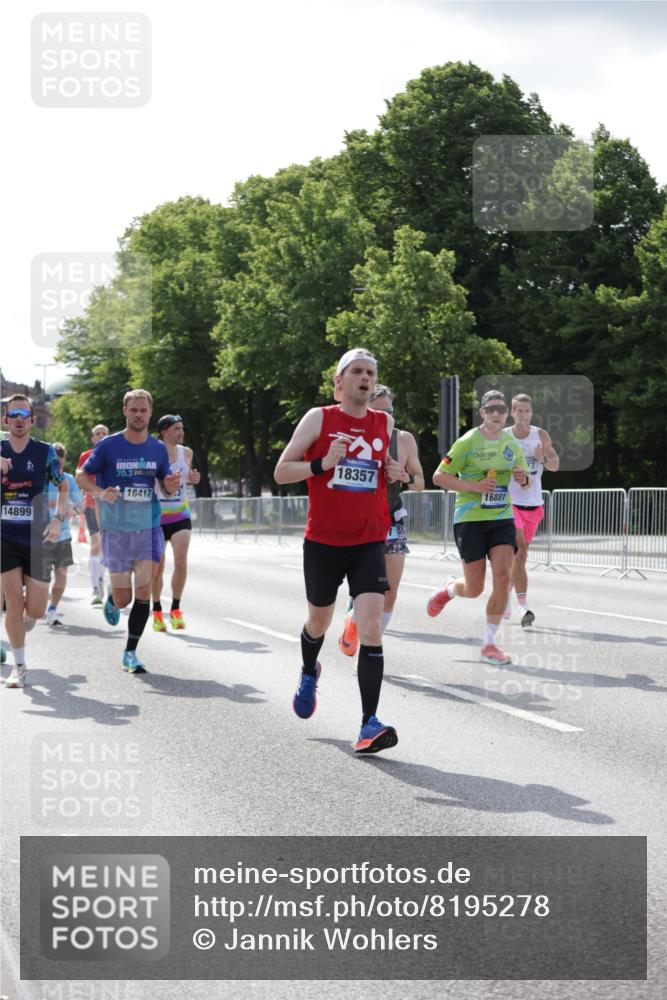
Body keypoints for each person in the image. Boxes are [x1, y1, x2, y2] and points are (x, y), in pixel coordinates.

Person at [274, 348, 406, 754]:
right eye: (357, 372)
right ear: (339, 381)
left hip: (368, 540)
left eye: (371, 373)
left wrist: (397, 473)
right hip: (323, 542)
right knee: (319, 620)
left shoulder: (385, 422)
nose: (365, 378)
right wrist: (321, 464)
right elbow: (281, 472)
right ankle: (309, 669)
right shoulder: (320, 418)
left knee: (370, 626)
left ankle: (369, 723)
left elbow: (386, 469)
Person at [76, 390, 181, 674]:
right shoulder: (109, 446)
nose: (138, 415)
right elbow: (81, 475)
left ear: (149, 413)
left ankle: (131, 652)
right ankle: (113, 597)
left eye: (143, 410)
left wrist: (171, 484)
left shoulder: (157, 448)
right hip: (117, 530)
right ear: (125, 411)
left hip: (148, 527)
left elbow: (166, 483)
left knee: (144, 591)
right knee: (125, 599)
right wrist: (99, 492)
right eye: (133, 410)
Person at [426, 389, 530, 666]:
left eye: (501, 409)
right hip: (470, 518)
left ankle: (489, 644)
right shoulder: (467, 441)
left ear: (507, 413)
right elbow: (439, 476)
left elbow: (524, 479)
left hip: (501, 517)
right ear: (482, 413)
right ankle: (448, 589)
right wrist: (473, 486)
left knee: (503, 578)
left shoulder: (512, 444)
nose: (496, 413)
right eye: (491, 409)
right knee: (473, 588)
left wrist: (523, 479)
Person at [339, 383, 425, 656]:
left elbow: (420, 482)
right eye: (378, 412)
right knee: (363, 585)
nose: (385, 418)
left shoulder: (404, 440)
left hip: (391, 518)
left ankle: (370, 640)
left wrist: (404, 476)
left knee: (391, 590)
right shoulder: (353, 435)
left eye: (389, 411)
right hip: (358, 519)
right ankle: (355, 618)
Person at [1, 395, 68, 687]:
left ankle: (23, 623)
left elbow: (63, 487)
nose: (18, 418)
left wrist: (58, 519)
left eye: (23, 414)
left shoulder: (46, 453)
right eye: (12, 413)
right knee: (14, 603)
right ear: (5, 419)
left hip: (37, 536)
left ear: (31, 420)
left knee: (36, 610)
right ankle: (19, 665)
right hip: (4, 536)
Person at [504, 393, 559, 626]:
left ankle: (503, 597)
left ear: (531, 412)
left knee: (519, 559)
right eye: (520, 411)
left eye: (527, 411)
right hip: (511, 503)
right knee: (521, 550)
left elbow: (556, 465)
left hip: (534, 504)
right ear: (512, 412)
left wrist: (542, 458)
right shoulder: (504, 436)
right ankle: (523, 607)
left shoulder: (540, 435)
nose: (524, 415)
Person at [152, 414, 201, 631]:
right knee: (158, 566)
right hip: (157, 517)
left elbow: (188, 476)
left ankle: (175, 609)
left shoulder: (186, 452)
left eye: (182, 428)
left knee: (181, 562)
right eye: (177, 429)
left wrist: (193, 478)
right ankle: (156, 612)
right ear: (164, 431)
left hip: (181, 514)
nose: (181, 433)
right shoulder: (152, 451)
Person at [44, 443, 84, 625]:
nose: (57, 468)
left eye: (59, 464)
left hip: (62, 535)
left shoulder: (68, 479)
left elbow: (81, 504)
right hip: (40, 535)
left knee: (61, 575)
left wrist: (73, 511)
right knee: (38, 579)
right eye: (54, 463)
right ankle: (33, 604)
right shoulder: (39, 478)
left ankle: (52, 609)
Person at [77, 424, 109, 605]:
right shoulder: (86, 456)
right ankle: (96, 588)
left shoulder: (116, 454)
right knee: (96, 544)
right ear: (93, 438)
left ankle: (106, 581)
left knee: (110, 546)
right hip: (91, 504)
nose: (102, 436)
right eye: (98, 434)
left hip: (112, 507)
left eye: (105, 433)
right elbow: (81, 479)